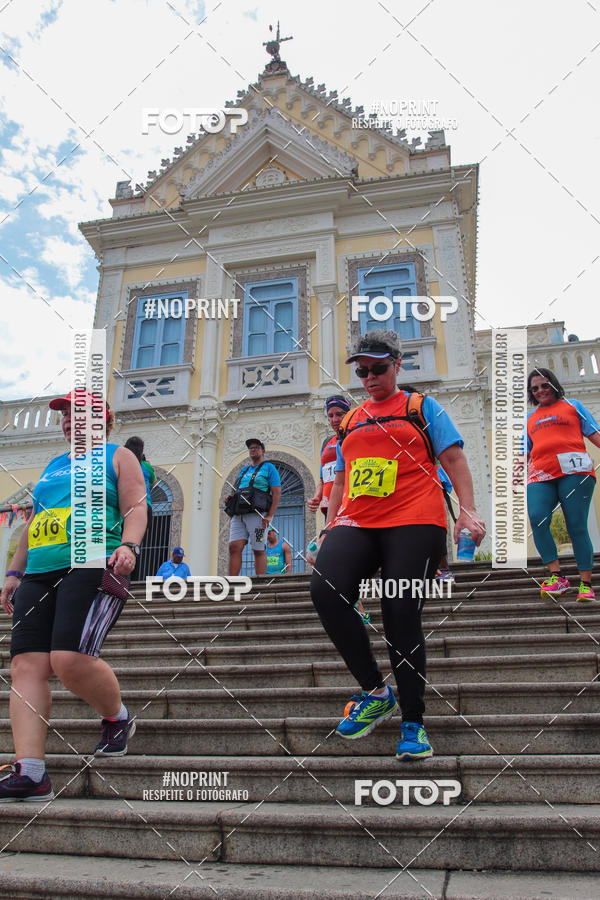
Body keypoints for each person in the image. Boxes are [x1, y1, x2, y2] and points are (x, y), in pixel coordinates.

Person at [310, 330, 485, 760]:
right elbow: (343, 479)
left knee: (399, 611)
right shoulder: (350, 419)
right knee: (325, 590)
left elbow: (455, 459)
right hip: (359, 519)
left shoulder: (420, 407)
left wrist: (468, 511)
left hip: (415, 518)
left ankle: (413, 723)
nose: (369, 377)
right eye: (362, 371)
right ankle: (375, 691)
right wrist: (330, 526)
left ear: (397, 365)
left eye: (378, 369)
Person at [0, 391, 147, 801]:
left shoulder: (118, 457)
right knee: (26, 666)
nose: (69, 421)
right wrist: (14, 571)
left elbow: (136, 505)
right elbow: (35, 523)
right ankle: (30, 773)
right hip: (40, 573)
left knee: (68, 660)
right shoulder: (52, 467)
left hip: (94, 561)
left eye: (78, 415)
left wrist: (130, 546)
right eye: (65, 416)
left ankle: (116, 718)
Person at [526, 368, 600, 601]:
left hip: (574, 471)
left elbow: (595, 434)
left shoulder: (573, 406)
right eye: (535, 388)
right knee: (537, 518)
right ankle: (556, 576)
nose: (540, 391)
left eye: (544, 385)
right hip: (540, 474)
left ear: (554, 384)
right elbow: (524, 452)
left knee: (576, 525)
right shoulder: (530, 418)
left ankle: (585, 583)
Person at [308, 396, 371, 623]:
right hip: (329, 506)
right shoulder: (328, 441)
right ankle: (352, 602)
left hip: (349, 504)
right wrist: (317, 496)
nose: (334, 419)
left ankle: (356, 604)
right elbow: (323, 475)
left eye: (339, 414)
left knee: (335, 555)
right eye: (330, 415)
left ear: (348, 413)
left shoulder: (356, 435)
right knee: (324, 555)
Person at [226, 439, 281, 576]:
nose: (253, 450)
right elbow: (239, 489)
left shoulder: (269, 467)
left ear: (263, 450)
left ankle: (260, 583)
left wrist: (270, 515)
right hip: (239, 514)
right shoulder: (244, 470)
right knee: (234, 547)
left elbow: (276, 492)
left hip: (258, 515)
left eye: (256, 447)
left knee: (258, 548)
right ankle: (232, 582)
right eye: (250, 448)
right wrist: (231, 497)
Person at [123, 436, 156, 580]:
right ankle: (134, 578)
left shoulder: (121, 463)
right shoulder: (146, 466)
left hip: (125, 506)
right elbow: (152, 484)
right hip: (144, 507)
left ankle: (119, 576)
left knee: (121, 541)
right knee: (136, 544)